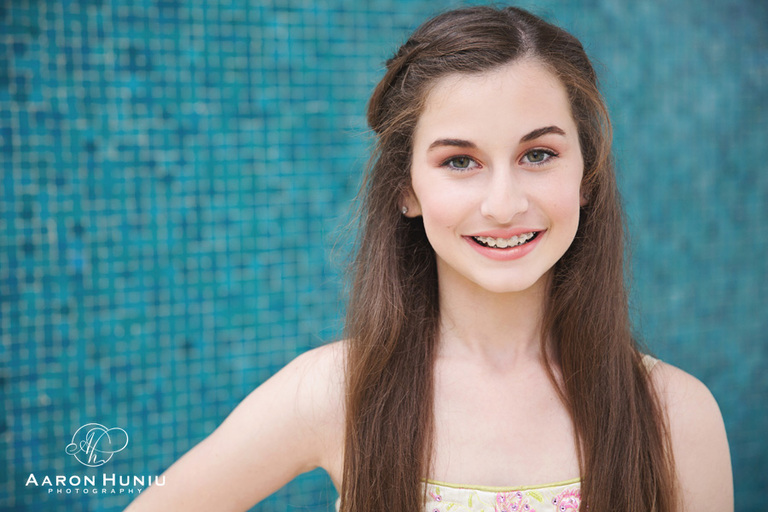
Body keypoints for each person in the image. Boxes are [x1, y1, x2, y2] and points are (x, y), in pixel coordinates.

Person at [124, 5, 733, 512]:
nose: (503, 204)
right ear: (407, 189)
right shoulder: (336, 393)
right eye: (459, 162)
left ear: (588, 175)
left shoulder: (675, 415)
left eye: (539, 155)